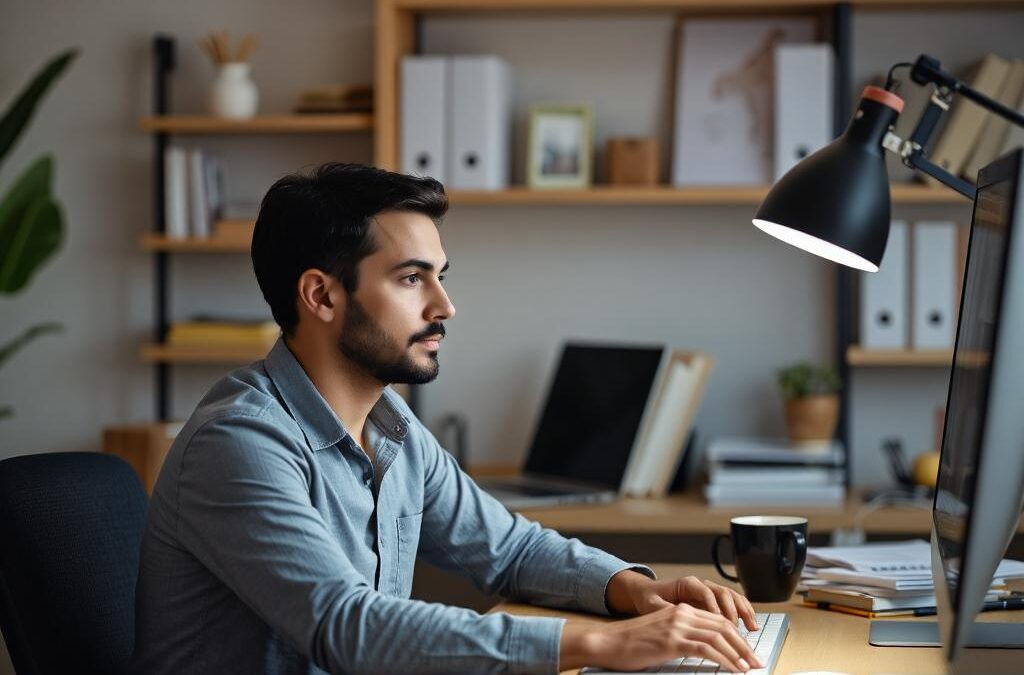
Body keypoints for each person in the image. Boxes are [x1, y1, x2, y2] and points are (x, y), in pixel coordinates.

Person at [130, 163, 763, 675]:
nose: (445, 306)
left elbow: (510, 549)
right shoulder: (240, 442)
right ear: (322, 295)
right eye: (411, 279)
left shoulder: (390, 427)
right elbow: (347, 629)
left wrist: (630, 589)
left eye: (440, 277)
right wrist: (601, 645)